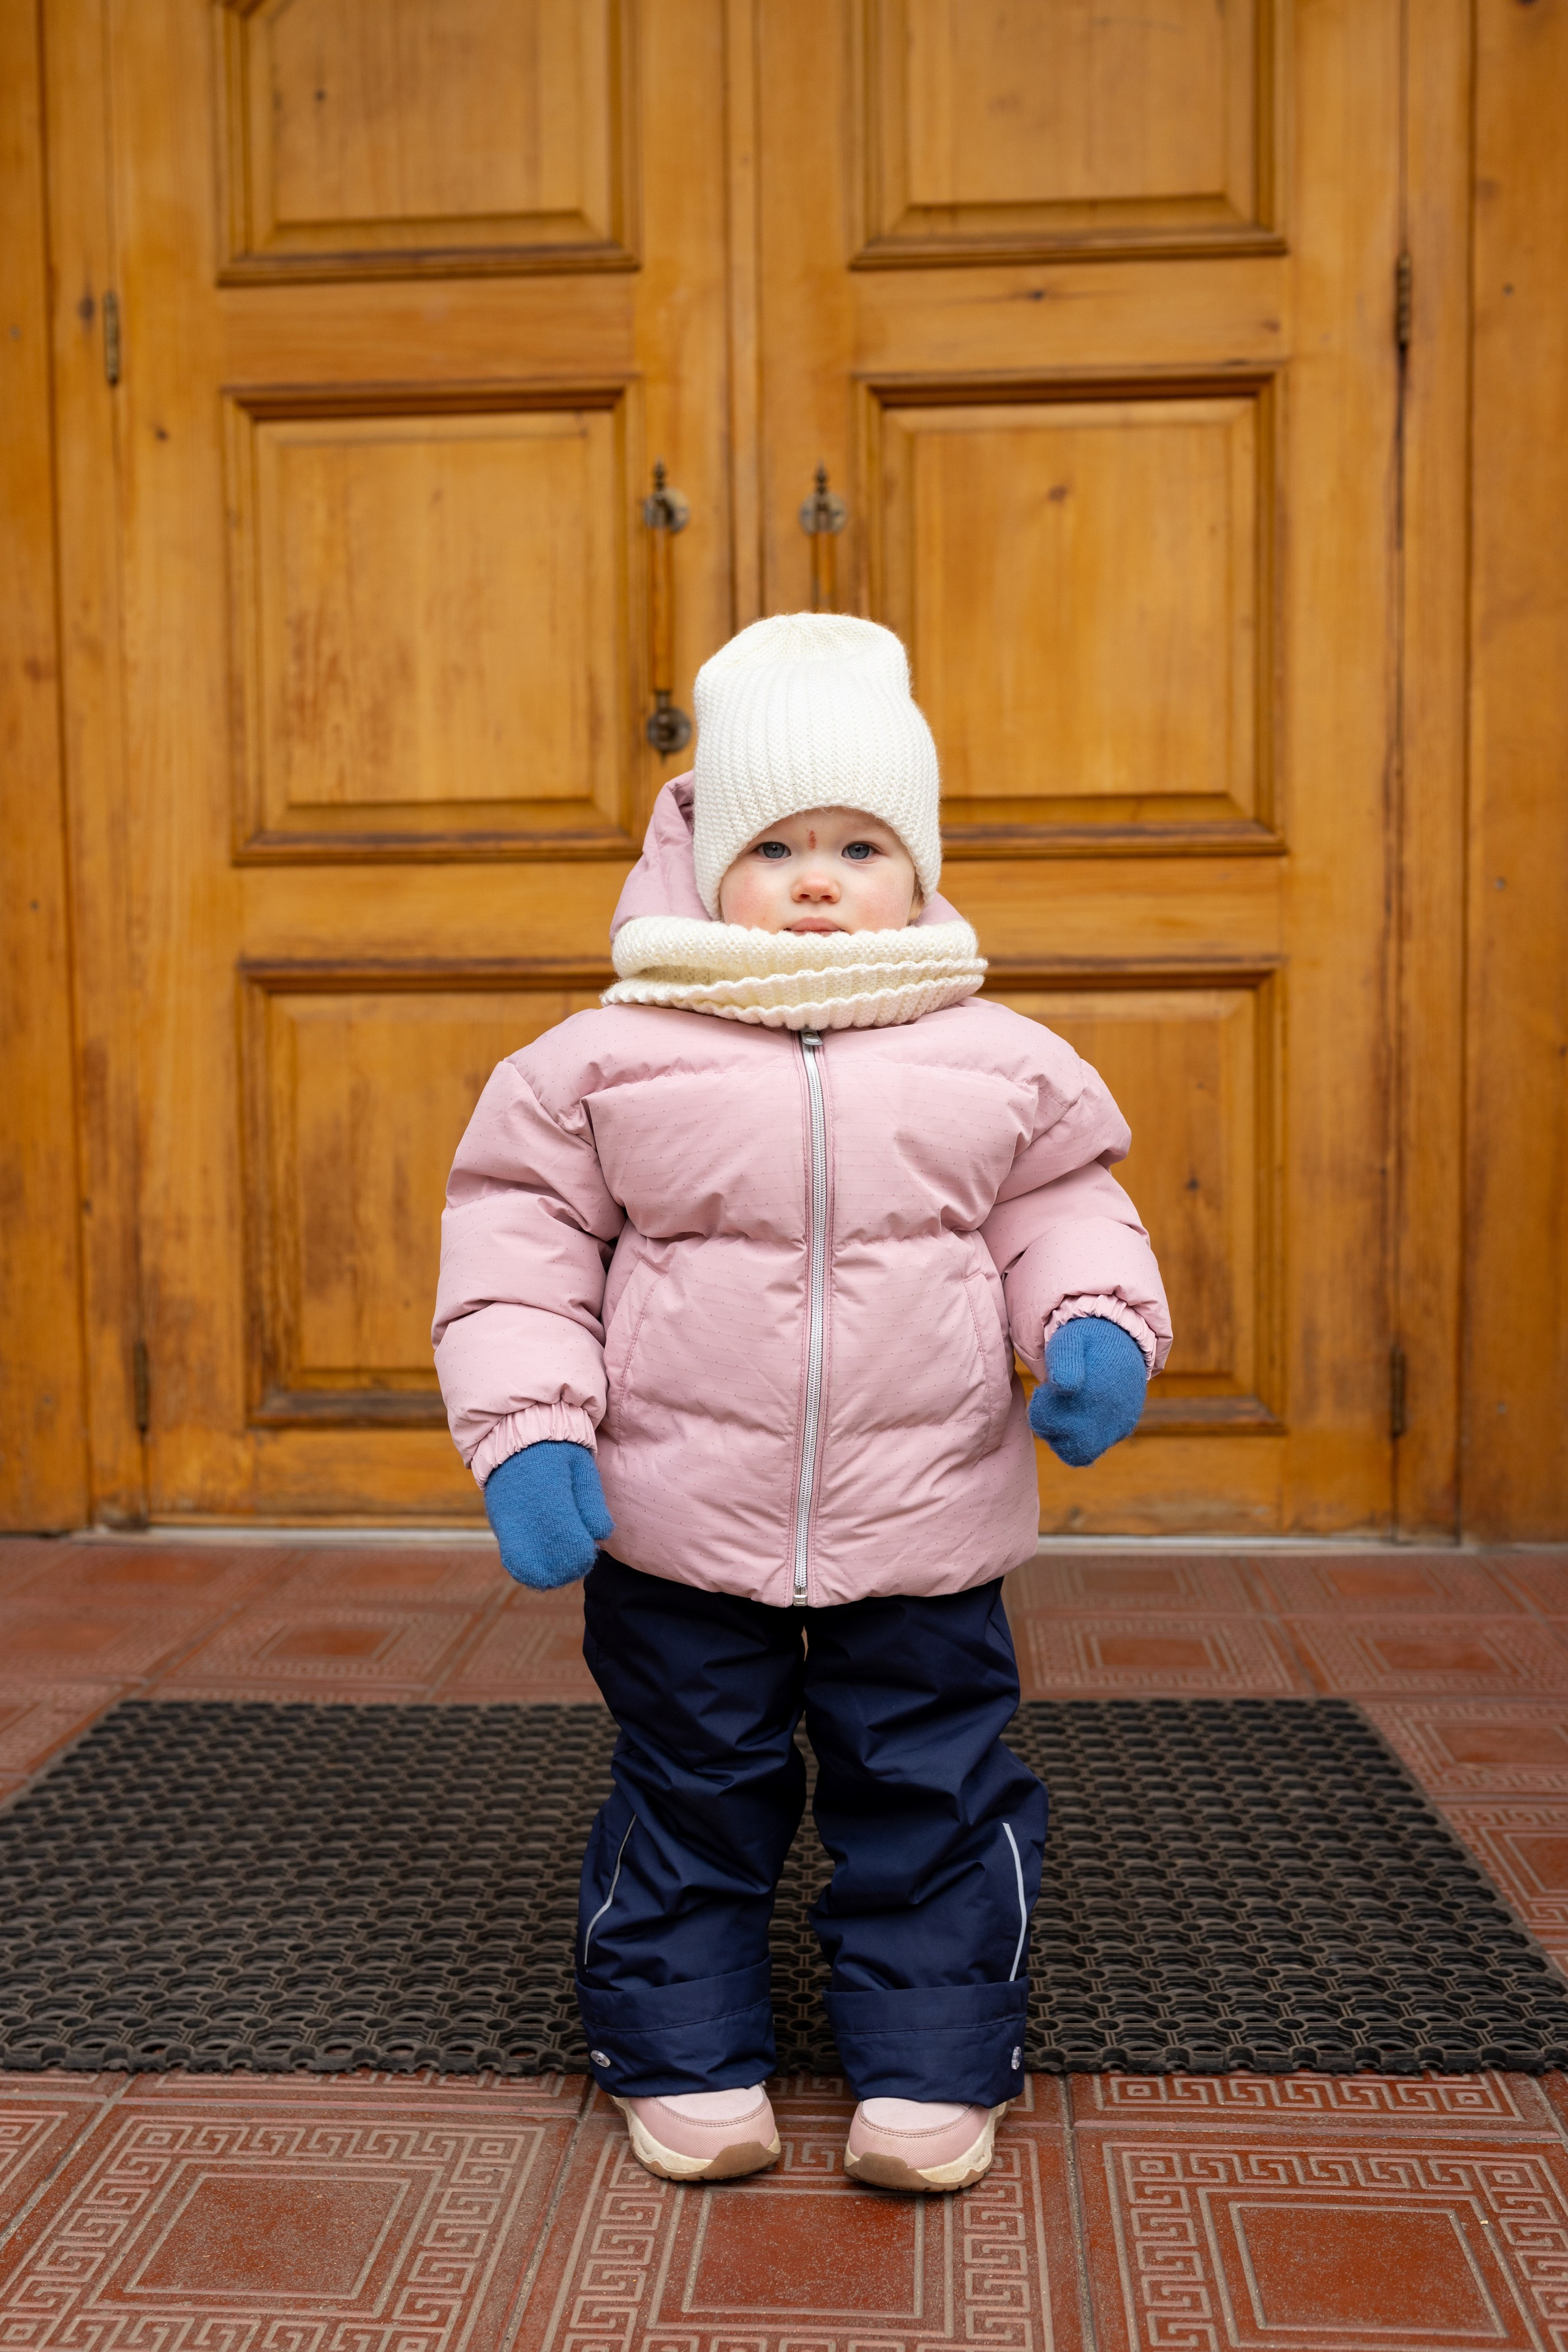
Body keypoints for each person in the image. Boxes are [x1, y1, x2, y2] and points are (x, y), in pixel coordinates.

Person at [434, 614, 1170, 2192]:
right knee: (694, 1783)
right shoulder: (602, 1059)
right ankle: (681, 2050)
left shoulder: (997, 1057)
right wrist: (531, 1430)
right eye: (774, 844)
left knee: (933, 1786)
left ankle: (935, 2061)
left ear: (921, 866)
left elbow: (1068, 1213)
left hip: (924, 1525)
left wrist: (1097, 1324)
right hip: (680, 1527)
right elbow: (514, 1254)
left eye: (858, 843)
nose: (819, 877)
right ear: (705, 865)